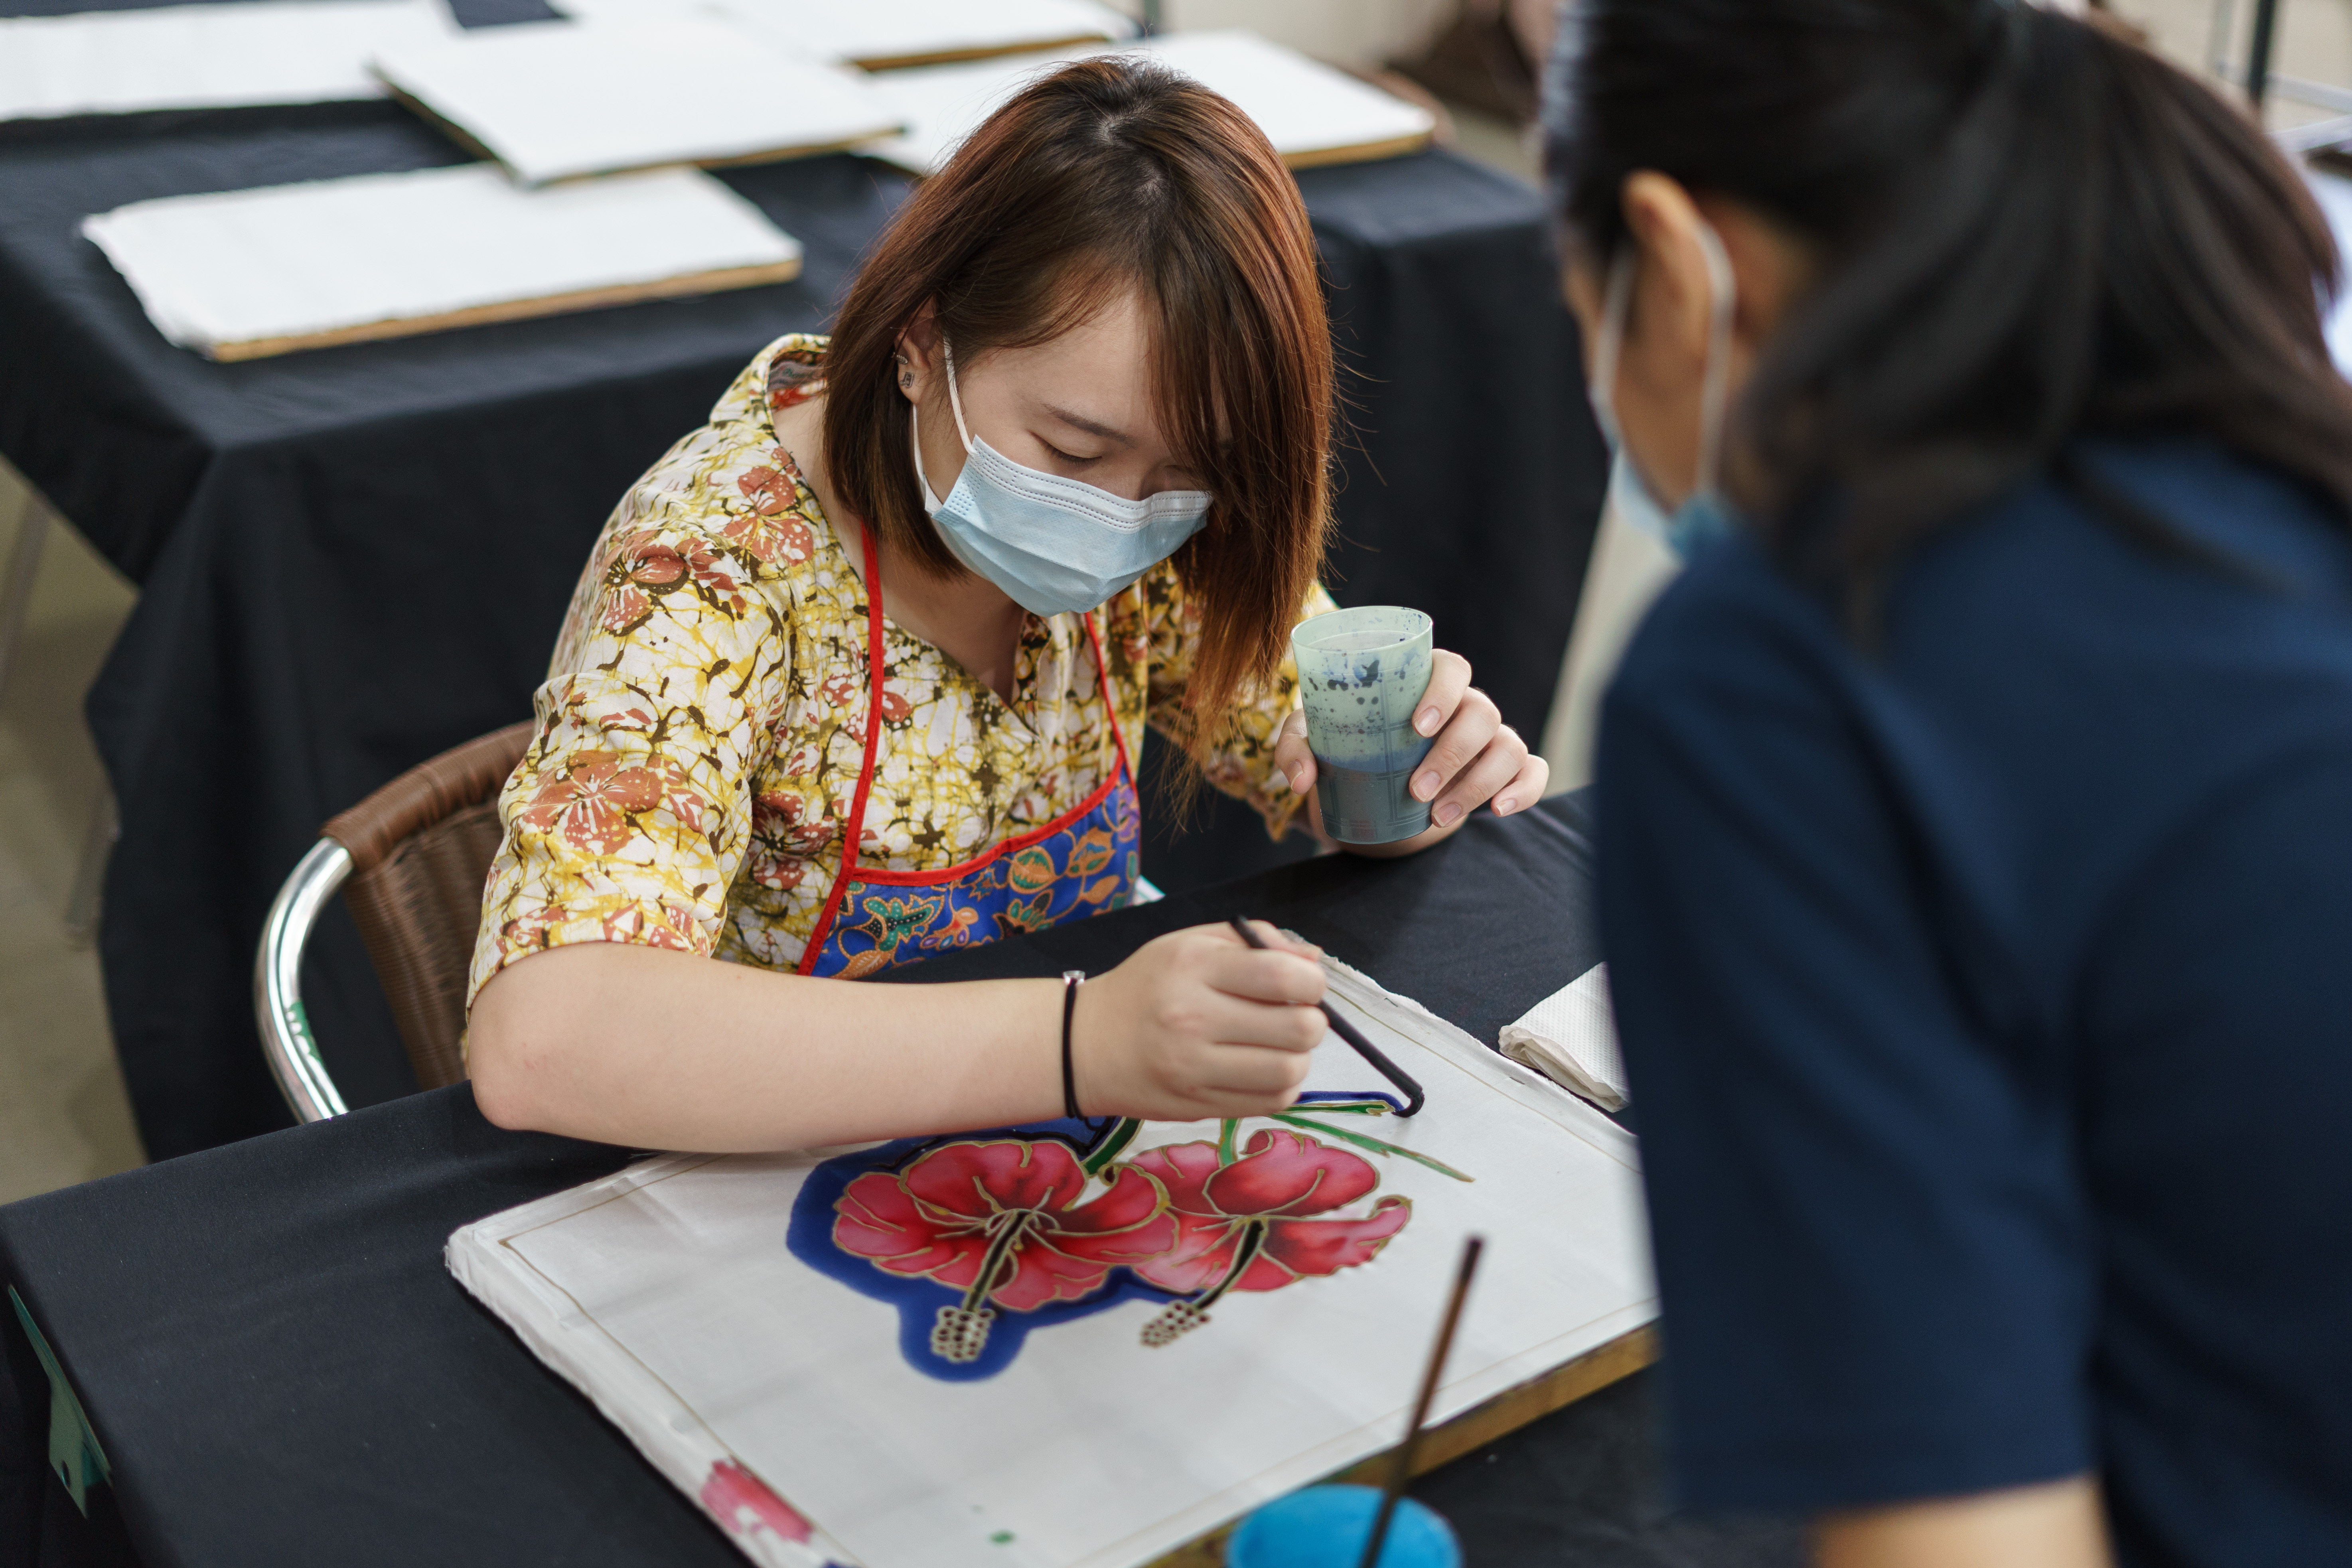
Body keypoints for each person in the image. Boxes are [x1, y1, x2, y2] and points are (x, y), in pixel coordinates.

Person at [1549, 2, 2352, 1565]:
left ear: (1668, 254)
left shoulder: (1781, 678)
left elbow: (1971, 1537)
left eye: (1575, 302)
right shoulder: (2286, 477)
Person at [464, 57, 1545, 1154]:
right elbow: (546, 1039)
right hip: (760, 1167)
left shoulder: (1174, 530)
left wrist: (1420, 775)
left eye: (1186, 472)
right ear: (923, 341)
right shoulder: (715, 560)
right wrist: (1081, 1039)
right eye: (1073, 449)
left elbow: (1311, 769)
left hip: (1060, 1144)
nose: (1124, 521)